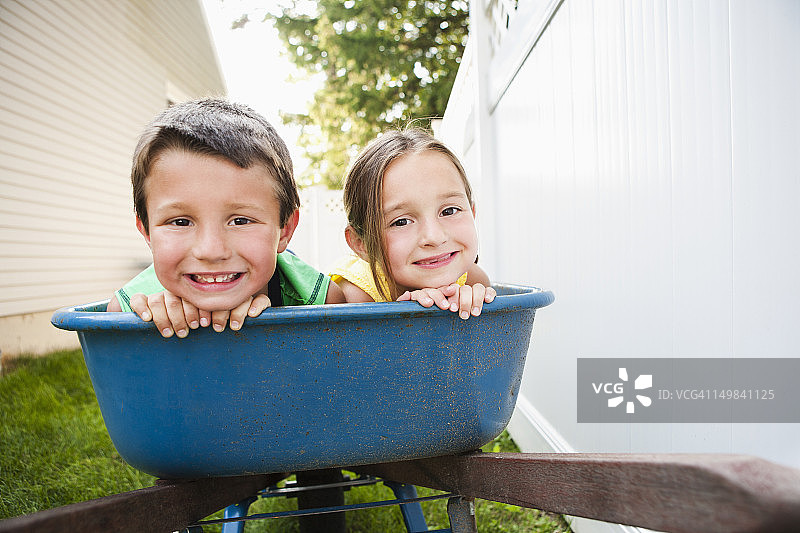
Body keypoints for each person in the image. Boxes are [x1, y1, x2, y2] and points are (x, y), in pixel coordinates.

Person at [107, 98, 345, 337]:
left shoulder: (323, 303)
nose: (211, 251)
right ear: (147, 231)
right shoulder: (125, 312)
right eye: (180, 222)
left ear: (284, 229)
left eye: (240, 221)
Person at [329, 128, 495, 319]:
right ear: (361, 243)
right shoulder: (353, 296)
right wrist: (407, 319)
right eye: (401, 222)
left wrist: (469, 305)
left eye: (449, 211)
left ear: (472, 214)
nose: (434, 237)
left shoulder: (473, 280)